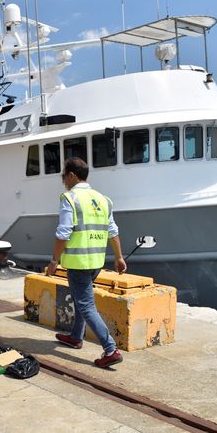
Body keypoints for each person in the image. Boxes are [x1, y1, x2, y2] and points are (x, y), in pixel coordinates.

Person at [46, 157, 127, 369]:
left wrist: (54, 261)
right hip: (96, 261)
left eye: (64, 175)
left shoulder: (70, 198)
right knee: (83, 300)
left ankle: (110, 349)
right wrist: (119, 257)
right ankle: (75, 337)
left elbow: (63, 234)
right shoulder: (103, 199)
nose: (63, 180)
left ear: (72, 175)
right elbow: (113, 231)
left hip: (78, 262)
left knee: (86, 304)